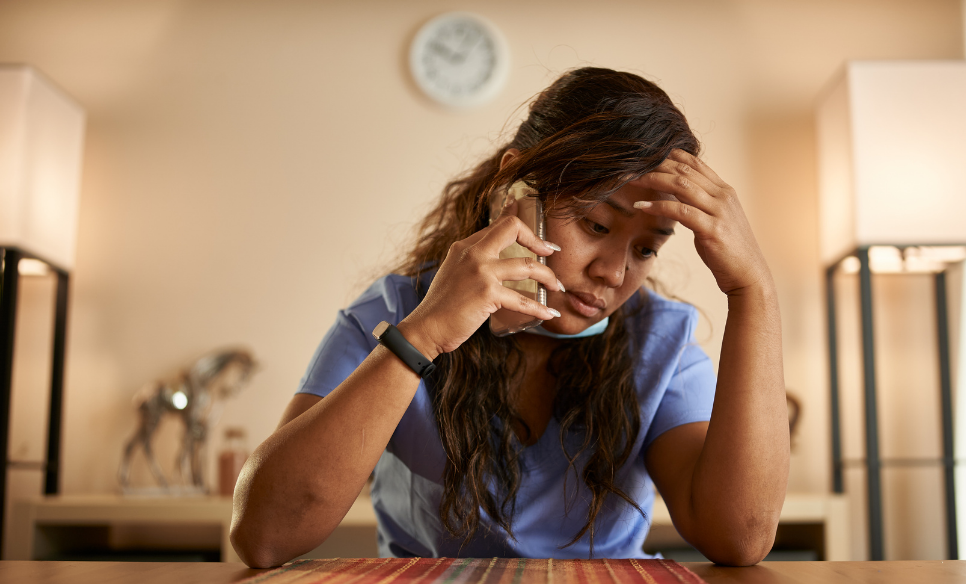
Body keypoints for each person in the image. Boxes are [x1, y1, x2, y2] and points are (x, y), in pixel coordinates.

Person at [229, 68, 789, 568]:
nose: (615, 272)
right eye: (596, 225)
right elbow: (265, 537)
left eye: (647, 249)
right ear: (517, 189)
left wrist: (754, 291)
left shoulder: (657, 342)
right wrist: (424, 334)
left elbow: (738, 538)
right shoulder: (393, 313)